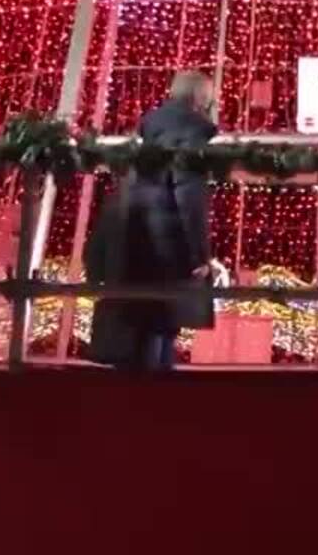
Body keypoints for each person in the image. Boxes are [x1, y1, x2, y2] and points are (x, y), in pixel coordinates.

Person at [86, 71, 220, 372]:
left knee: (139, 323)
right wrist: (199, 254)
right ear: (201, 98)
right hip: (166, 244)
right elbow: (189, 196)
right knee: (161, 324)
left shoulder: (150, 129)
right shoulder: (193, 133)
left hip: (134, 239)